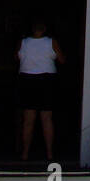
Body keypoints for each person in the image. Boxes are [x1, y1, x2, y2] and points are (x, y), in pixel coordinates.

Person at [16, 18, 65, 162]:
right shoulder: (51, 42)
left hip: (27, 80)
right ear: (45, 29)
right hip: (46, 80)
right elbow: (62, 60)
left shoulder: (23, 42)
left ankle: (25, 154)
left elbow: (16, 57)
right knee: (47, 118)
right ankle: (49, 154)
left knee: (28, 120)